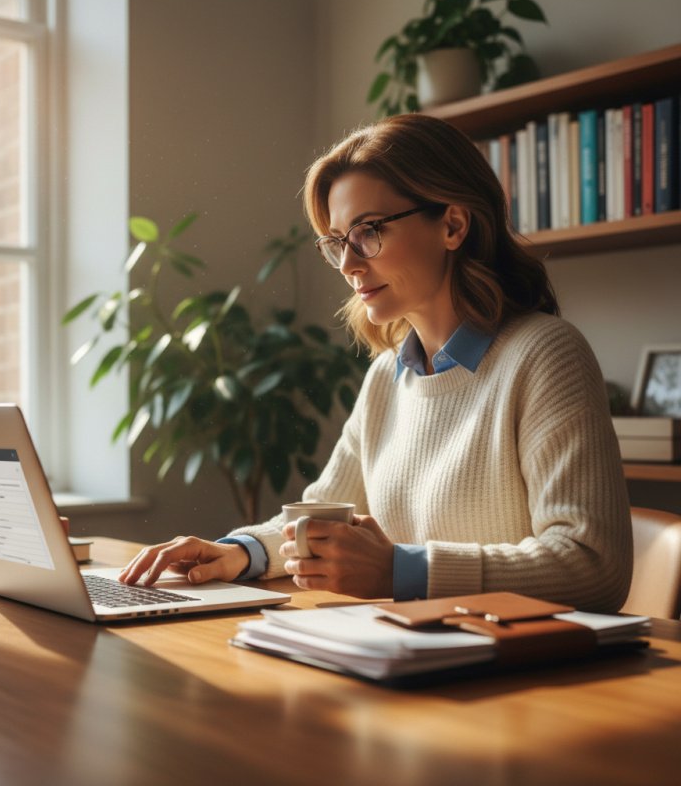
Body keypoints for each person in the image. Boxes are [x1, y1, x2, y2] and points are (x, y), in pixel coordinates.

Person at [120, 113, 632, 613]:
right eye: (337, 241)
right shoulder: (388, 375)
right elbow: (323, 514)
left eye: (368, 231)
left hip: (517, 678)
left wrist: (402, 571)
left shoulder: (546, 355)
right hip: (413, 658)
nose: (348, 264)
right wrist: (239, 553)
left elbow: (593, 566)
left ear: (453, 225)